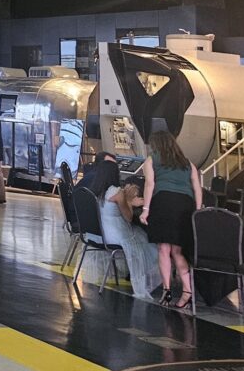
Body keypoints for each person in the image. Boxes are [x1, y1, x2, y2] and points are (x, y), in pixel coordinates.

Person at [140, 129, 202, 309]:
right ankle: (187, 291)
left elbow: (150, 184)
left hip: (164, 202)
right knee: (178, 251)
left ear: (155, 144)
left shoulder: (151, 160)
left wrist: (145, 209)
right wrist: (197, 210)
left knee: (163, 249)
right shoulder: (188, 163)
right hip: (185, 205)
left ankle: (166, 291)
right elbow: (197, 188)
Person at [83, 159, 160, 300]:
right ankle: (143, 278)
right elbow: (129, 217)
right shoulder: (117, 192)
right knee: (149, 243)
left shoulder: (95, 191)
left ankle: (132, 273)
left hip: (100, 234)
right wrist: (129, 201)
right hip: (117, 236)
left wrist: (127, 199)